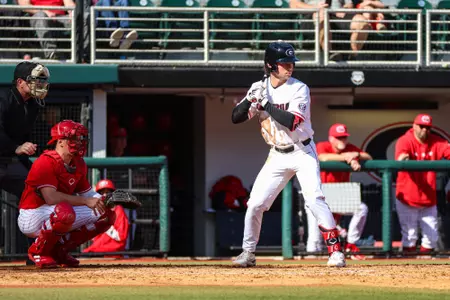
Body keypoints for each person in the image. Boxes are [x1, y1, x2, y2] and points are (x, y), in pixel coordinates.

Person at [230, 41, 346, 268]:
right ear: (270, 65)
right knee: (255, 204)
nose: (290, 67)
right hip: (277, 154)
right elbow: (236, 118)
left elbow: (292, 122)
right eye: (284, 63)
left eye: (291, 62)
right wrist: (250, 100)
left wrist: (265, 103)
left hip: (303, 150)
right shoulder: (258, 86)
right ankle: (248, 252)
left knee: (314, 199)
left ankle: (335, 252)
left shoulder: (299, 88)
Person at [17, 120, 117, 268]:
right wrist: (85, 201)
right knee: (64, 212)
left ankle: (60, 251)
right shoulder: (45, 162)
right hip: (31, 215)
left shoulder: (78, 163)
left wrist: (109, 200)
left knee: (106, 214)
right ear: (61, 141)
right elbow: (51, 198)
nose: (79, 142)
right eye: (74, 138)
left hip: (57, 211)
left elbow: (90, 195)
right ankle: (38, 252)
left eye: (80, 138)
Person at [306, 123, 372, 260]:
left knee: (362, 209)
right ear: (331, 138)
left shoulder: (350, 148)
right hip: (319, 195)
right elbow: (323, 157)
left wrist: (356, 154)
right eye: (338, 138)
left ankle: (351, 243)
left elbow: (369, 157)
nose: (342, 140)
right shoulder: (323, 145)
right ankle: (310, 264)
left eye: (344, 137)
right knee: (314, 240)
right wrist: (348, 158)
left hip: (340, 196)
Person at [395, 114, 450, 255]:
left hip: (428, 198)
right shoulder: (405, 140)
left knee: (431, 237)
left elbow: (447, 150)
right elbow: (400, 157)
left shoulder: (436, 142)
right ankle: (408, 269)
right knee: (410, 236)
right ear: (414, 126)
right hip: (408, 197)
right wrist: (403, 159)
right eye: (421, 126)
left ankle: (425, 270)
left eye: (427, 127)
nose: (424, 130)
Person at [0, 61, 49, 198]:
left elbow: (24, 137)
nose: (39, 84)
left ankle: (26, 220)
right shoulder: (3, 98)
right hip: (7, 156)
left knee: (36, 191)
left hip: (10, 160)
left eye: (41, 80)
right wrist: (16, 147)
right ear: (20, 82)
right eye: (34, 80)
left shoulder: (33, 104)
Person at [289, 0, 371, 60]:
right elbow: (294, 4)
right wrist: (315, 8)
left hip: (337, 14)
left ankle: (352, 56)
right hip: (313, 14)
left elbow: (349, 4)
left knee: (362, 22)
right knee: (322, 14)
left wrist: (344, 9)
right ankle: (330, 55)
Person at [83, 179, 130, 255]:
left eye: (107, 192)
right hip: (97, 250)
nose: (104, 195)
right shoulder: (97, 210)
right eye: (102, 192)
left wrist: (106, 224)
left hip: (113, 252)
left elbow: (121, 237)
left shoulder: (118, 210)